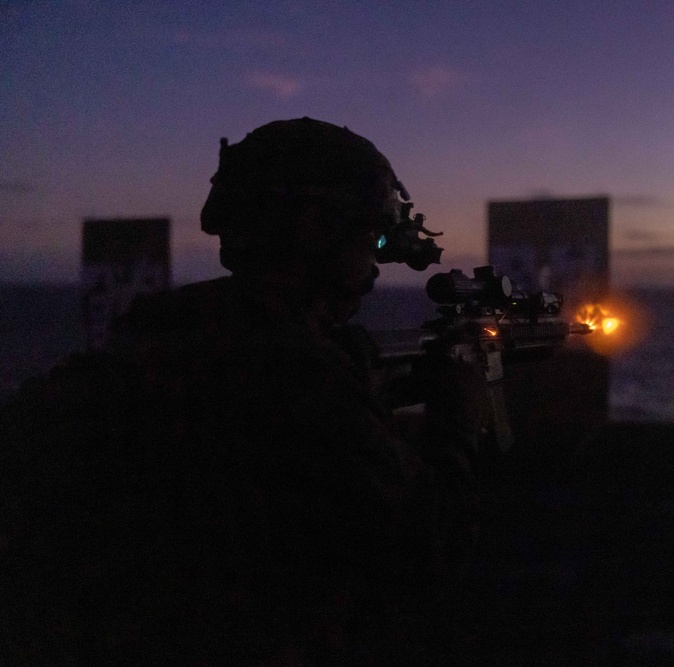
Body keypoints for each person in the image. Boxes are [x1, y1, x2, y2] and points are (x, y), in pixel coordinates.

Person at [0, 118, 487, 664]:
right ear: (312, 230)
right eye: (370, 238)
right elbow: (427, 547)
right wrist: (460, 417)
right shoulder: (296, 376)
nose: (375, 264)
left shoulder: (162, 334)